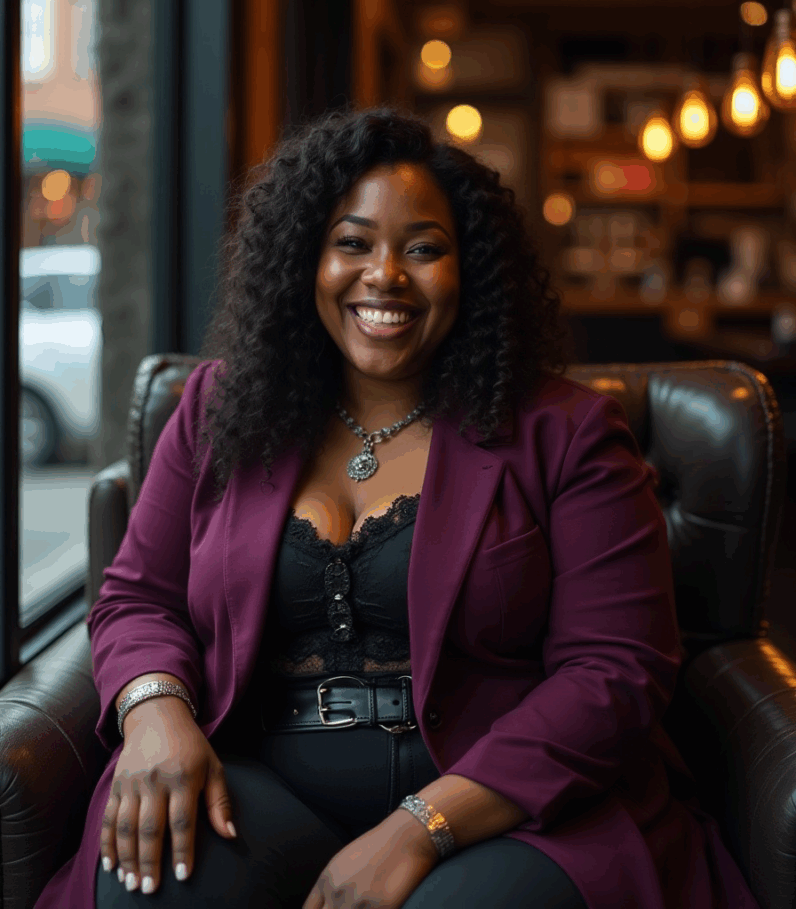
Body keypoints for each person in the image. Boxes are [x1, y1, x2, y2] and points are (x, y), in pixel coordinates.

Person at [34, 107, 759, 909]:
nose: (385, 275)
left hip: (498, 797)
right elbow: (140, 596)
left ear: (469, 271)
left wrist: (419, 827)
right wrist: (155, 713)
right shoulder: (216, 410)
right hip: (261, 773)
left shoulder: (567, 432)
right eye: (352, 243)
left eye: (423, 249)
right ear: (304, 259)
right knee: (153, 885)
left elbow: (615, 671)